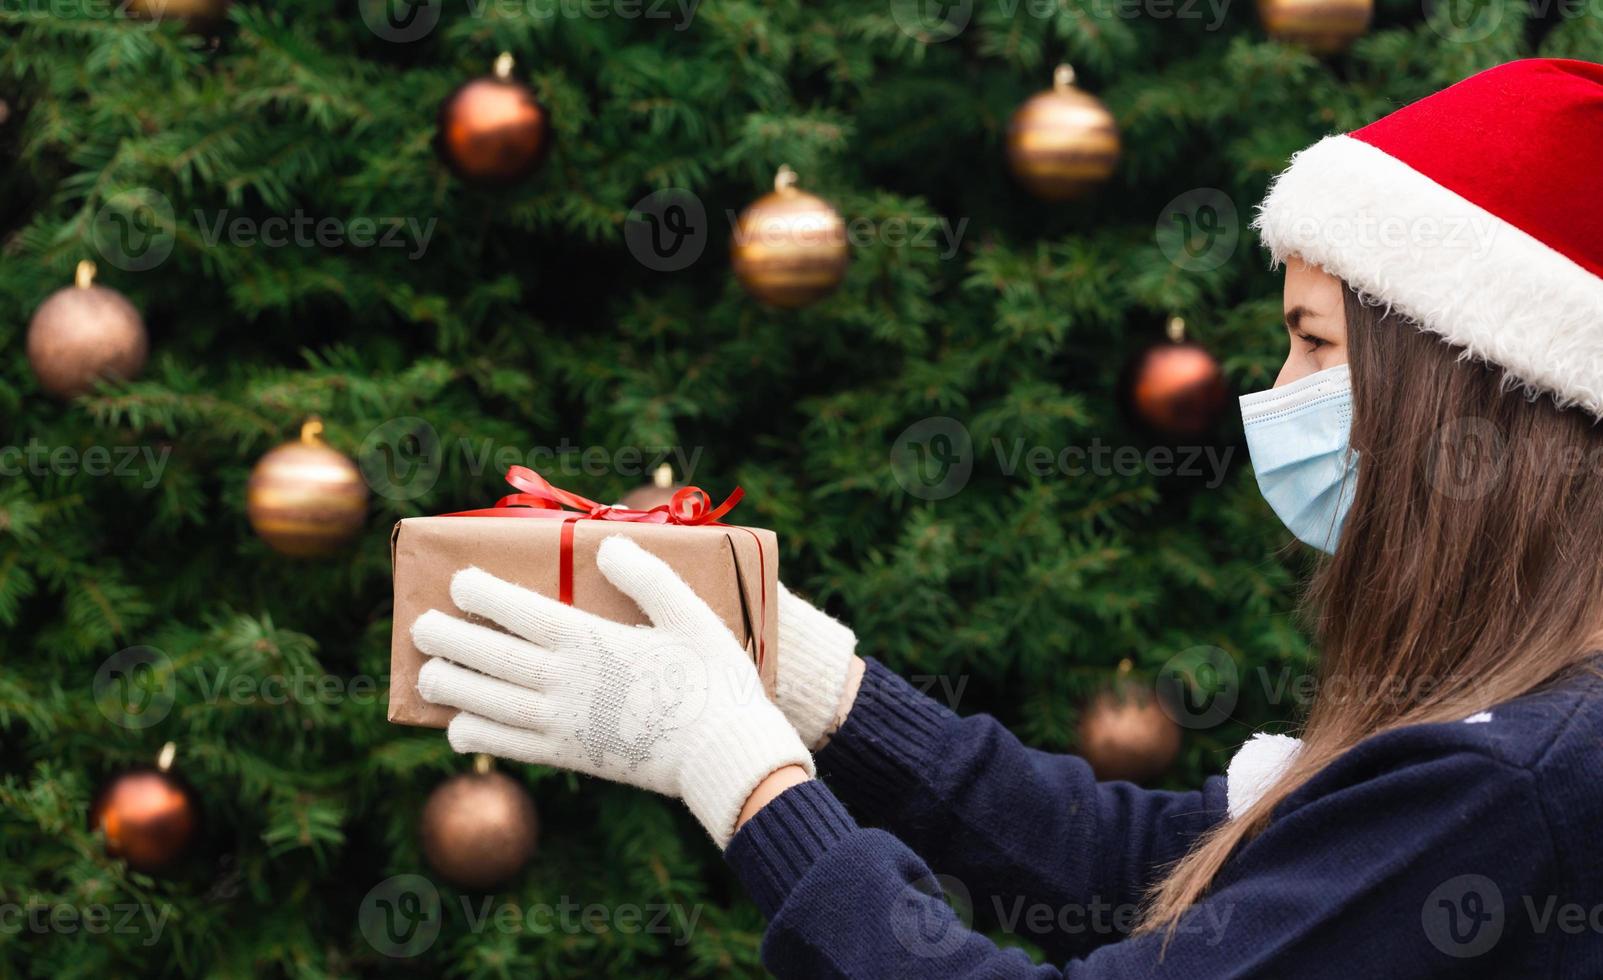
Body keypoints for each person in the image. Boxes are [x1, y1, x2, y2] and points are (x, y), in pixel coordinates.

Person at [408, 58, 1603, 976]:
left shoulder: (1505, 783)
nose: (1277, 397)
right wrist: (823, 689)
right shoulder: (1523, 728)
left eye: (1312, 342)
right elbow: (1138, 867)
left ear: (1476, 390)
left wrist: (738, 771)